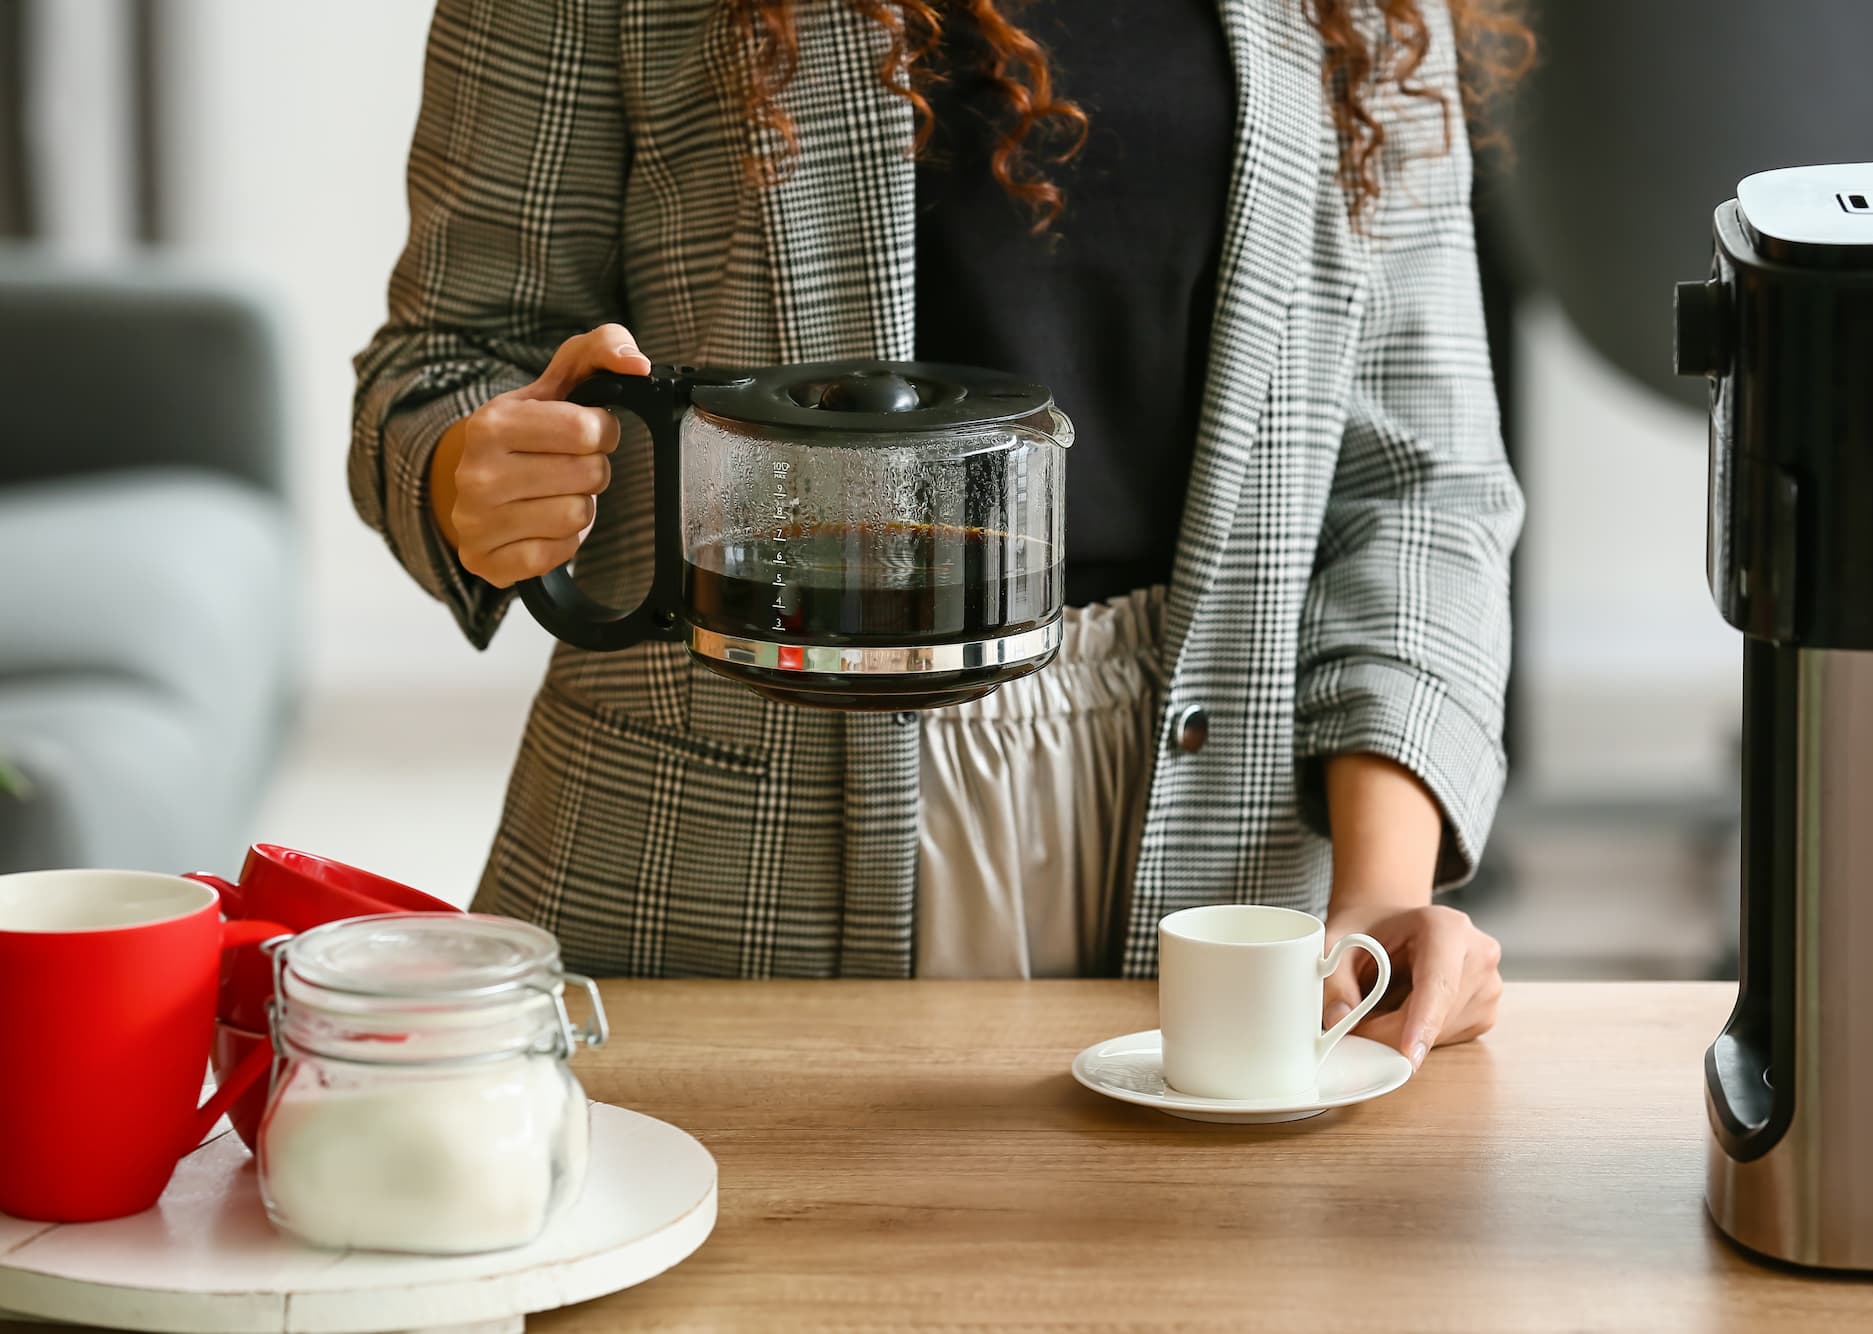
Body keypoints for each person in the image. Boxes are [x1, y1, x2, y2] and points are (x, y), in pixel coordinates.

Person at [351, 0, 1530, 1071]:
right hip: (720, 845)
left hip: (1228, 862)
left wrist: (1379, 897)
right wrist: (468, 463)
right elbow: (444, 358)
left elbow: (1414, 481)